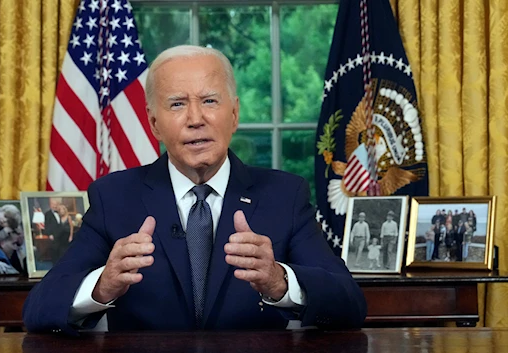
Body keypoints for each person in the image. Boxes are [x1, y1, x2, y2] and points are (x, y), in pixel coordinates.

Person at [22, 45, 366, 335]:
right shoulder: (113, 197)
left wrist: (280, 281)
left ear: (234, 113)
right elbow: (38, 310)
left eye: (210, 101)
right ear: (154, 123)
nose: (195, 118)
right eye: (176, 104)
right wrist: (102, 285)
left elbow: (350, 304)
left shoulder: (284, 194)